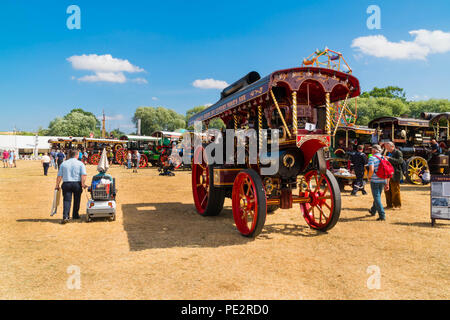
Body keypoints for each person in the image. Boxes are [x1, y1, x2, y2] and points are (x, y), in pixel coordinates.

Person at [55, 149, 87, 224]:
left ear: (69, 155)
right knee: (77, 199)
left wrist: (57, 185)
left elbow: (59, 176)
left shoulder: (64, 163)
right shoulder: (80, 164)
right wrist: (83, 183)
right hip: (77, 183)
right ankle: (75, 214)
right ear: (77, 155)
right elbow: (83, 175)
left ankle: (66, 216)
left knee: (66, 200)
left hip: (66, 183)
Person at [367, 144, 390, 221]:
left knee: (376, 197)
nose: (371, 151)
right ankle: (373, 210)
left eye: (371, 149)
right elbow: (387, 172)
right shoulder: (384, 158)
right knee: (377, 196)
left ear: (374, 150)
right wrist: (387, 183)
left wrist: (369, 177)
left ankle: (382, 215)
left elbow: (371, 169)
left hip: (375, 180)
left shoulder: (372, 158)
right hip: (383, 180)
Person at [384, 142, 403, 209]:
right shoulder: (386, 152)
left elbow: (400, 161)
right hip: (387, 173)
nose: (386, 149)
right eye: (386, 147)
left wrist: (389, 159)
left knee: (395, 190)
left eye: (388, 147)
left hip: (395, 173)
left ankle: (397, 205)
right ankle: (389, 205)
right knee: (387, 190)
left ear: (392, 146)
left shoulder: (398, 152)